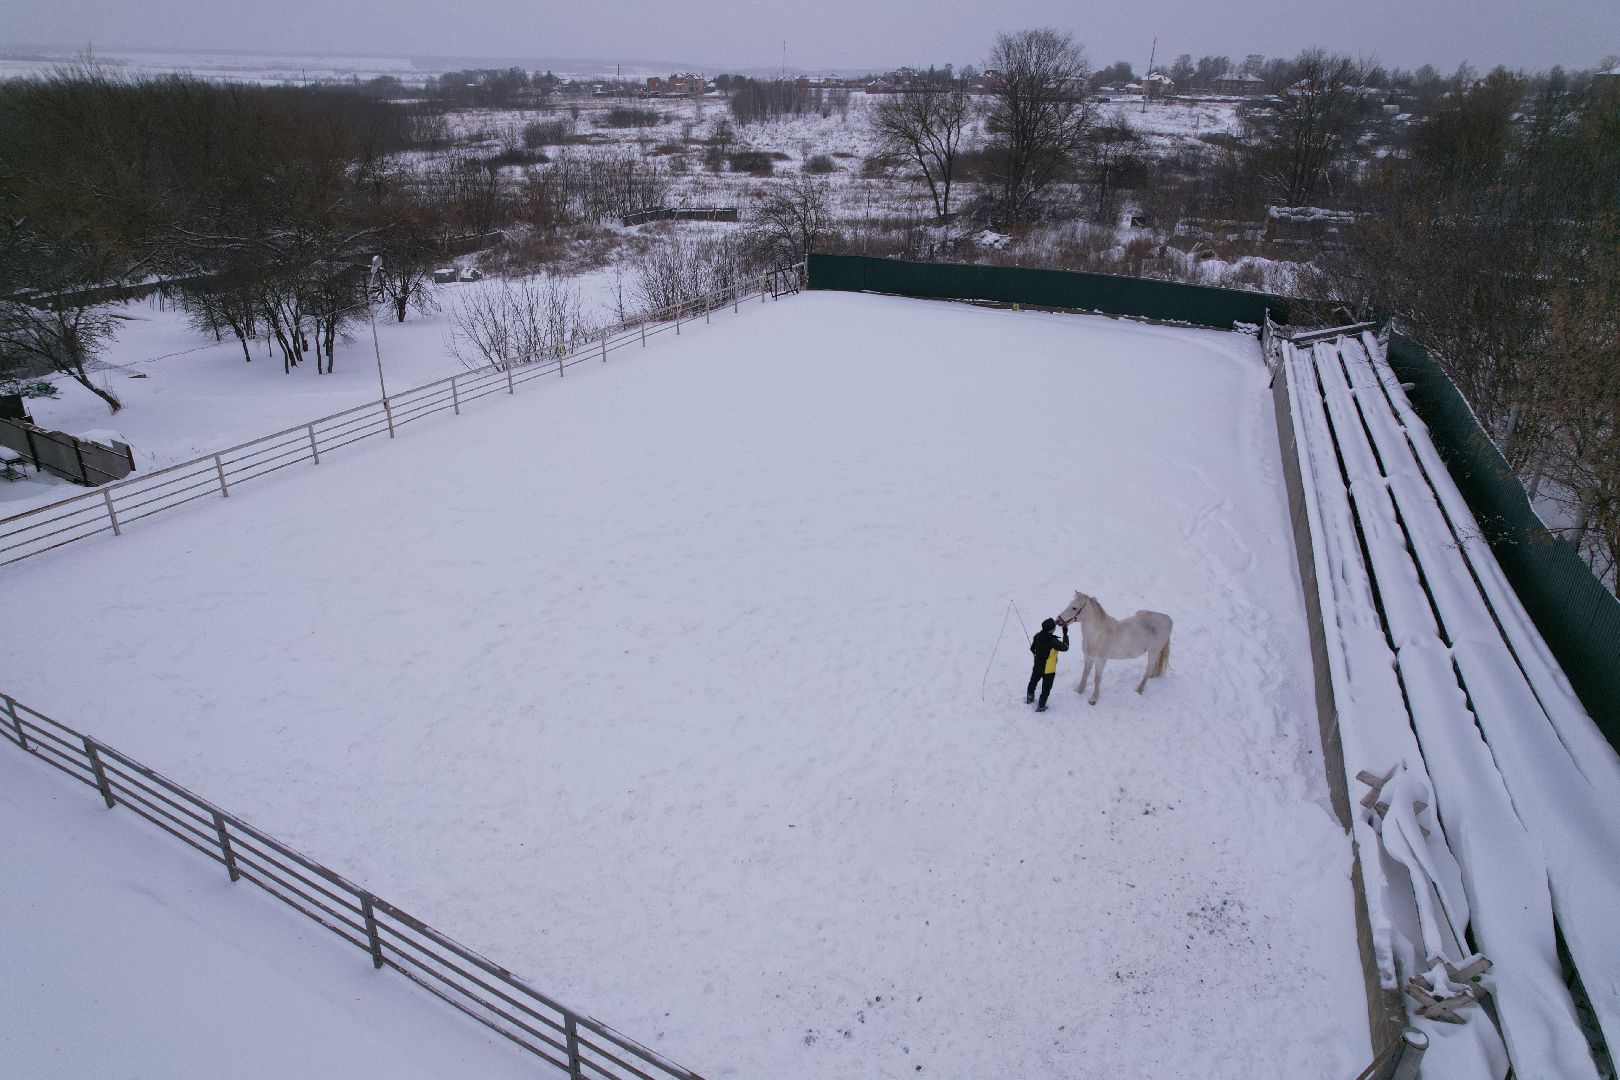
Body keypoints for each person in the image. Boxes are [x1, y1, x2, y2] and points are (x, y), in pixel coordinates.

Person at [1027, 617, 1069, 712]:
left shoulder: (1037, 636)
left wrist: (1037, 655)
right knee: (1046, 689)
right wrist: (1065, 634)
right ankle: (1041, 706)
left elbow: (1032, 649)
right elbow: (1065, 647)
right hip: (1048, 669)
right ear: (1051, 630)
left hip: (1037, 665)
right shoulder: (1053, 641)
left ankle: (1029, 697)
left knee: (1033, 682)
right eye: (1054, 628)